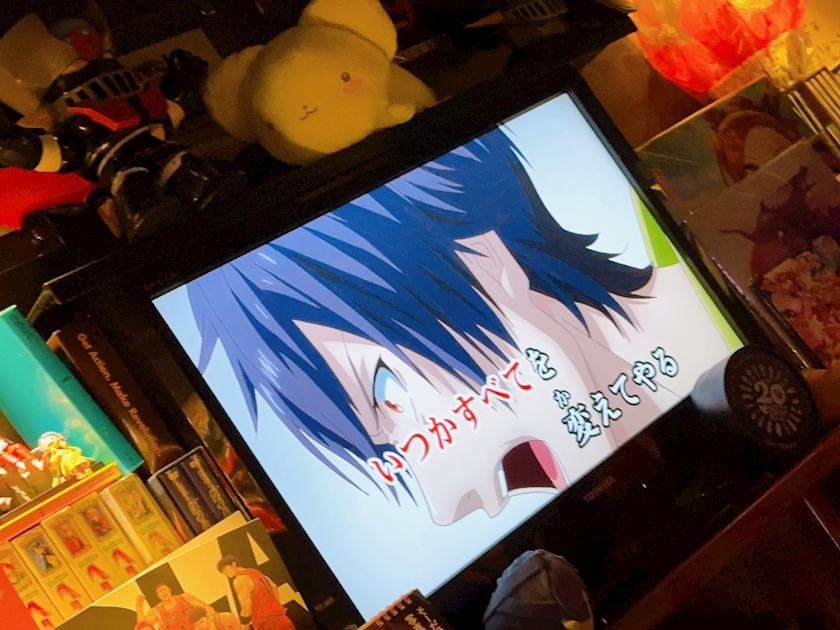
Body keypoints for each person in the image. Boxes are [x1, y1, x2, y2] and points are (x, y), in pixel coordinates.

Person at [187, 124, 731, 525]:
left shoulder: (725, 302)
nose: (447, 509)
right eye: (388, 445)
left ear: (487, 257)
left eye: (386, 391)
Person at [217, 555, 296, 630]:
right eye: (222, 571)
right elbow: (274, 587)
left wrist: (244, 625)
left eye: (225, 568)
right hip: (282, 619)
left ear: (233, 564)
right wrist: (273, 608)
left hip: (267, 624)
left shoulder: (239, 580)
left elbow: (246, 606)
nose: (224, 572)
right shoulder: (254, 572)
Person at [136, 582, 215, 630]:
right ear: (158, 596)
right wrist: (139, 607)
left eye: (164, 589)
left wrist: (212, 625)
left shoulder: (185, 597)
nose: (163, 592)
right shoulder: (156, 611)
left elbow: (207, 609)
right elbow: (142, 626)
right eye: (160, 591)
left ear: (169, 590)